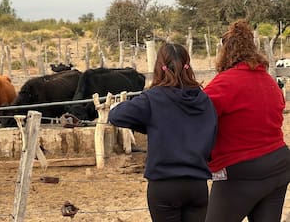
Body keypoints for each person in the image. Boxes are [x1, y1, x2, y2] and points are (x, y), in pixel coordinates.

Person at [108, 43, 217, 222]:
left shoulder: (153, 98)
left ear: (159, 67)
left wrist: (149, 125)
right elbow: (212, 135)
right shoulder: (204, 100)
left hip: (164, 185)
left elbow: (116, 115)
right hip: (197, 184)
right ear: (187, 65)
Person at [204, 19, 290, 222]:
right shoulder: (268, 81)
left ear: (224, 52)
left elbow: (198, 116)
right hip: (279, 164)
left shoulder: (224, 83)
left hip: (241, 169)